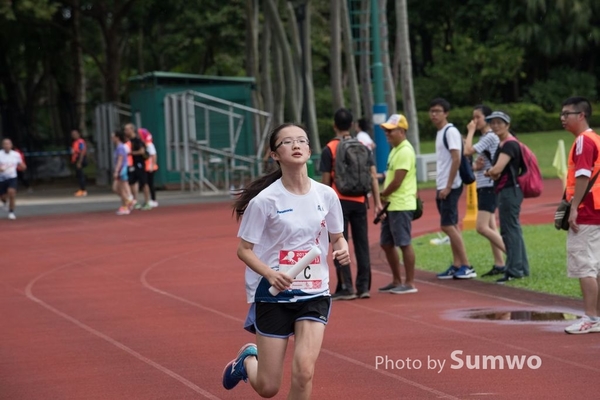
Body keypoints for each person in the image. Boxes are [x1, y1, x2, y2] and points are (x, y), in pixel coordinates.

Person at [223, 123, 350, 397]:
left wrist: (342, 248)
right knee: (269, 387)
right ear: (274, 154)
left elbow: (337, 236)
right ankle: (247, 360)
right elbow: (243, 250)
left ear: (309, 149)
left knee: (304, 371)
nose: (296, 145)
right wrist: (270, 274)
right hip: (274, 294)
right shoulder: (264, 201)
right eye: (287, 142)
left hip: (315, 292)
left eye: (301, 140)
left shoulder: (326, 195)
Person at [320, 108, 383, 300]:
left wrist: (322, 207)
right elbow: (372, 175)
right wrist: (377, 202)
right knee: (362, 244)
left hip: (339, 202)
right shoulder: (363, 145)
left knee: (340, 243)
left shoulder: (330, 148)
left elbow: (325, 181)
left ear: (334, 125)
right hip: (360, 200)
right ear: (352, 125)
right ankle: (363, 287)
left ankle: (346, 287)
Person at [559, 97, 600, 334]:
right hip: (597, 209)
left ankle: (591, 319)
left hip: (586, 212)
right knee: (596, 267)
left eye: (567, 114)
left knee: (585, 266)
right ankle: (597, 317)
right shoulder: (596, 138)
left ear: (581, 115)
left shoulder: (584, 141)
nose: (563, 118)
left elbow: (583, 175)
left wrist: (574, 208)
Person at [429, 98, 475, 279]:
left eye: (438, 111)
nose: (434, 114)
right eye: (432, 111)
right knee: (452, 225)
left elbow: (456, 158)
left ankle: (466, 265)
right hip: (443, 184)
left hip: (451, 185)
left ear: (446, 113)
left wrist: (448, 186)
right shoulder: (441, 132)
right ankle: (457, 264)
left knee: (447, 225)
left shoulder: (450, 131)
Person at [484, 111, 529, 283]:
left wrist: (489, 172)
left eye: (499, 122)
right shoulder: (505, 143)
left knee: (509, 231)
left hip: (509, 191)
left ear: (507, 125)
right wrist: (493, 172)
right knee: (514, 229)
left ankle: (514, 270)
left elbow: (497, 170)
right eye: (492, 123)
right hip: (510, 190)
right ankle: (521, 267)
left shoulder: (508, 144)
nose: (495, 126)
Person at [377, 114, 418, 294]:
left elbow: (397, 181)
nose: (387, 133)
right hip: (393, 204)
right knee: (386, 243)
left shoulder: (405, 151)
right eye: (386, 130)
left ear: (402, 131)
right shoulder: (395, 149)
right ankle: (396, 280)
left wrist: (382, 194)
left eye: (390, 131)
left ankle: (409, 283)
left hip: (401, 204)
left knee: (404, 243)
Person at [464, 105, 506, 276]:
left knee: (481, 227)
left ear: (486, 119)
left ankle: (515, 257)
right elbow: (477, 163)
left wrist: (470, 131)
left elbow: (466, 150)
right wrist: (475, 167)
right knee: (491, 227)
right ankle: (500, 263)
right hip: (484, 185)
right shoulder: (486, 138)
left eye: (477, 118)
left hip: (489, 186)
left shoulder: (489, 137)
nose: (474, 121)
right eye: (473, 118)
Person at [124, 123, 151, 210]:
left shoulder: (138, 141)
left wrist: (131, 153)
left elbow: (142, 151)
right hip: (132, 165)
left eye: (127, 129)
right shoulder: (128, 141)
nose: (126, 131)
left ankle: (147, 202)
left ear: (132, 130)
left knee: (143, 183)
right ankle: (136, 201)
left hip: (139, 164)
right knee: (132, 183)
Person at [0, 138, 27, 220]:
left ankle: (11, 212)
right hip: (1, 178)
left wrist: (23, 167)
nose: (7, 146)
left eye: (8, 144)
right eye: (5, 144)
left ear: (11, 145)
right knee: (3, 197)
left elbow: (21, 164)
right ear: (3, 145)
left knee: (11, 193)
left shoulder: (16, 154)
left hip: (12, 177)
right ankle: (4, 202)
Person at [112, 130, 133, 215]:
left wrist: (116, 171)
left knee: (121, 188)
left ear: (117, 137)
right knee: (117, 188)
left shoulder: (120, 147)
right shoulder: (119, 147)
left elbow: (120, 160)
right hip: (122, 168)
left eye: (113, 137)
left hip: (122, 169)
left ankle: (127, 203)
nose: (112, 138)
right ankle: (126, 202)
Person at [141, 128, 159, 207]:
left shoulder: (149, 144)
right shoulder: (144, 144)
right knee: (147, 183)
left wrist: (152, 165)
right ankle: (149, 199)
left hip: (150, 167)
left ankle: (153, 200)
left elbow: (154, 155)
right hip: (146, 167)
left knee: (150, 183)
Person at [71, 129, 88, 197]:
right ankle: (81, 189)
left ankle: (83, 190)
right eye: (72, 135)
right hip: (76, 159)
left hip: (79, 159)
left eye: (75, 134)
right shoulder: (75, 142)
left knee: (81, 175)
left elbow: (82, 152)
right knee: (78, 174)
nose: (73, 136)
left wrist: (79, 162)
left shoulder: (80, 142)